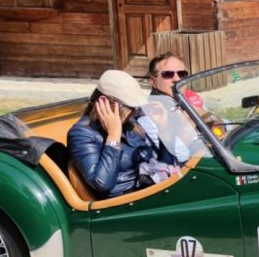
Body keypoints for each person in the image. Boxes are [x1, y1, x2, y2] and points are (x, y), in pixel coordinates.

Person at [68, 70, 180, 198]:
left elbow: (163, 166)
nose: (135, 111)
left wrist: (164, 131)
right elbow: (102, 184)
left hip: (149, 190)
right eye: (129, 107)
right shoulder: (82, 133)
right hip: (125, 205)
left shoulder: (129, 123)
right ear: (103, 102)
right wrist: (114, 136)